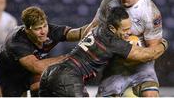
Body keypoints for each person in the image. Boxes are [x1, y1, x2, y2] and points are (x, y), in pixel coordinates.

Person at [39, 7, 168, 97]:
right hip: (68, 77)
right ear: (112, 28)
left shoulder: (99, 28)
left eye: (130, 28)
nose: (129, 32)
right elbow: (146, 55)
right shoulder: (112, 41)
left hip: (50, 72)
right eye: (125, 29)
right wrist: (163, 44)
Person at [82, 0, 164, 97]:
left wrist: (135, 54)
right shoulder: (109, 1)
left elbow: (153, 48)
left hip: (141, 64)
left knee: (151, 95)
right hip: (115, 63)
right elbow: (94, 27)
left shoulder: (150, 11)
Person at [0, 6, 87, 97]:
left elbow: (78, 33)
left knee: (41, 82)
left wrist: (97, 25)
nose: (43, 31)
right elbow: (37, 66)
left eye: (45, 26)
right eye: (37, 29)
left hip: (34, 70)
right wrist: (69, 57)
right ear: (27, 30)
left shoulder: (50, 30)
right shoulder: (16, 41)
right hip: (12, 75)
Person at [0, 0, 17, 97]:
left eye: (1, 2)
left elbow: (13, 44)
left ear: (5, 4)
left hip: (4, 56)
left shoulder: (11, 21)